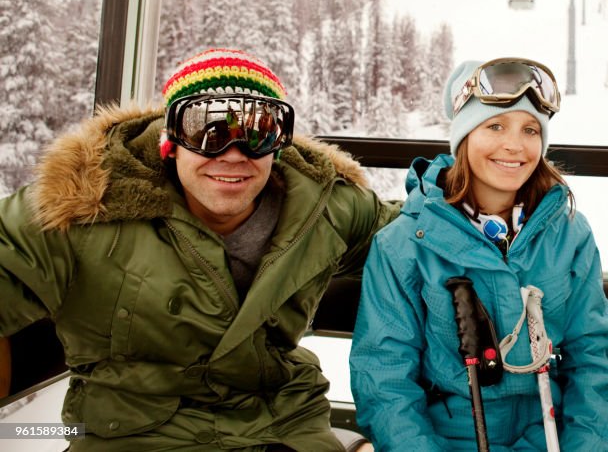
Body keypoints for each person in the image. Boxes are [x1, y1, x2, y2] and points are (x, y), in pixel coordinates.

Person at [0, 48, 400, 451]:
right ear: (169, 141)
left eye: (258, 132)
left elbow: (422, 236)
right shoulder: (86, 210)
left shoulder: (321, 209)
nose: (232, 153)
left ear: (277, 146)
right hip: (126, 433)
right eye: (206, 130)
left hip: (280, 426)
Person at [350, 57, 608, 451]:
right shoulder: (405, 244)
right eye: (495, 126)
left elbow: (592, 360)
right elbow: (385, 380)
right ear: (464, 137)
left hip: (551, 436)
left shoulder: (568, 234)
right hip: (453, 439)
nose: (515, 145)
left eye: (530, 130)